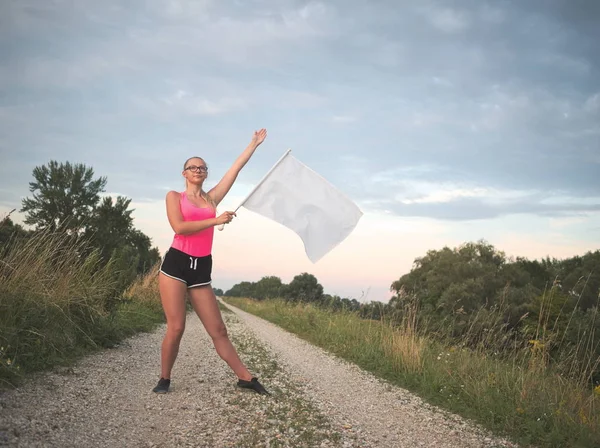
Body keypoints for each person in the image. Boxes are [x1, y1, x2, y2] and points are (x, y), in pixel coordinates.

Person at [153, 128, 269, 395]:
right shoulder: (174, 197)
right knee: (177, 326)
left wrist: (253, 144)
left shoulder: (211, 199)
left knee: (218, 329)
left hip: (202, 267)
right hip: (176, 266)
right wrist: (215, 220)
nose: (198, 170)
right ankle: (164, 378)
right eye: (193, 167)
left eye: (203, 168)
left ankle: (246, 378)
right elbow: (180, 227)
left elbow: (235, 170)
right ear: (184, 173)